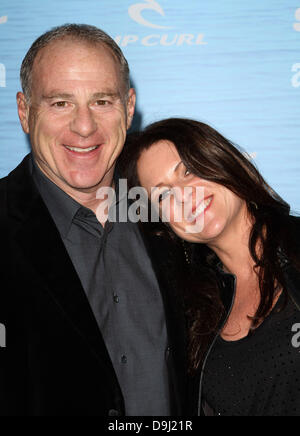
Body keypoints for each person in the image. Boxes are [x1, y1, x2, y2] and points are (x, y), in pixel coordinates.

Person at [0, 25, 188, 416]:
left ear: (129, 106)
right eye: (60, 103)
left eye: (102, 101)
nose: (84, 127)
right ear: (24, 111)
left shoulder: (178, 215)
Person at [120, 118, 300, 416]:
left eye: (188, 170)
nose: (183, 195)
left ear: (221, 159)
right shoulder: (190, 311)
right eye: (163, 195)